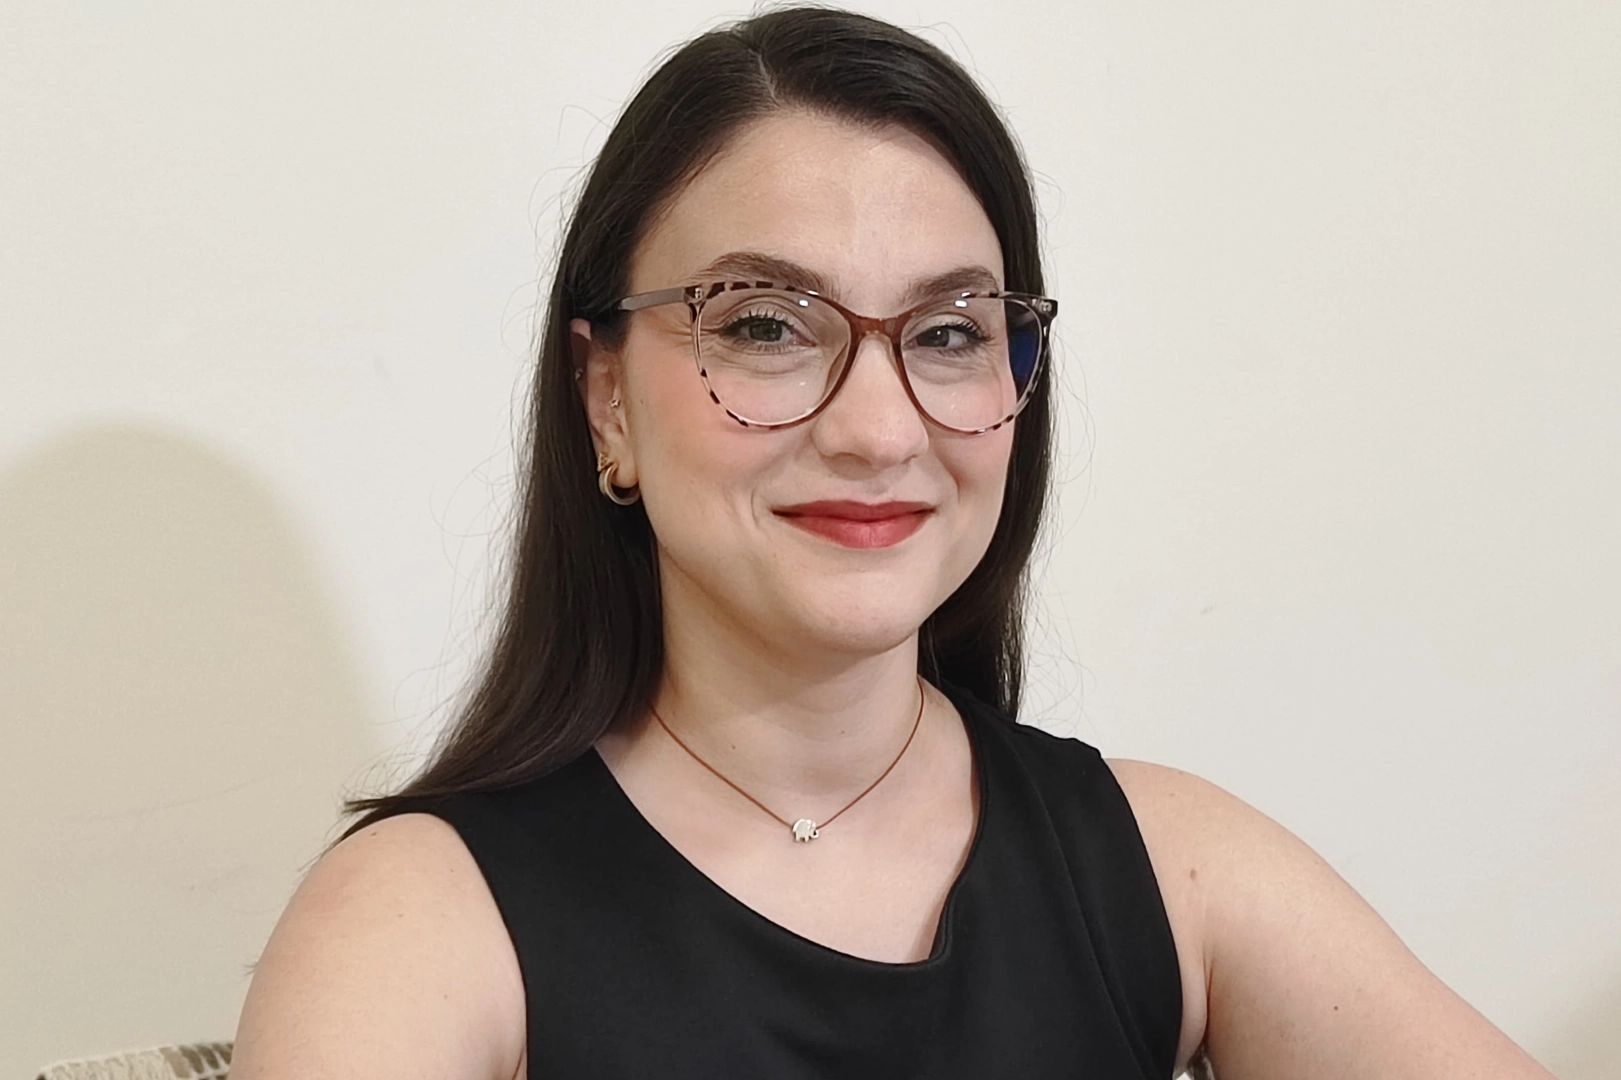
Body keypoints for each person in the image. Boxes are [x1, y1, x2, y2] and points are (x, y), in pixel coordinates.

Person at [232, 8, 1556, 1078]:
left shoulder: (1171, 866)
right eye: (766, 323)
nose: (878, 430)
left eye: (950, 332)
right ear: (608, 401)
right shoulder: (420, 921)